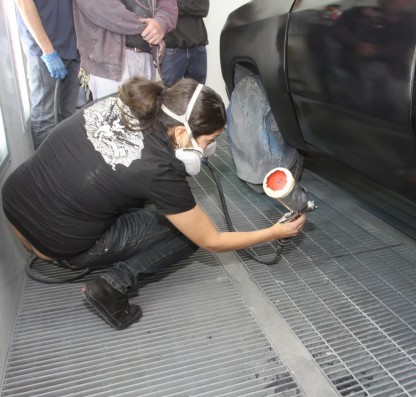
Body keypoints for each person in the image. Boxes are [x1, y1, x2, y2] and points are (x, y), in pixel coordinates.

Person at [1, 77, 307, 330]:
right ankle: (113, 285)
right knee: (187, 237)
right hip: (58, 245)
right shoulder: (160, 170)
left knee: (139, 200)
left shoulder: (121, 101)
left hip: (15, 204)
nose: (211, 148)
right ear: (182, 133)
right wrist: (274, 234)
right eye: (209, 139)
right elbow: (212, 240)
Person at [72, 0, 178, 99]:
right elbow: (105, 9)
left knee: (144, 115)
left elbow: (168, 5)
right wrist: (149, 28)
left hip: (146, 57)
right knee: (112, 116)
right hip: (109, 65)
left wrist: (161, 23)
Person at [15, 0, 80, 149]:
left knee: (67, 115)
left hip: (72, 43)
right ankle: (45, 170)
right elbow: (23, 2)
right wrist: (47, 50)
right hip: (45, 49)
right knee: (46, 118)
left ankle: (64, 164)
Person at [160, 0, 209, 86]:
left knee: (197, 94)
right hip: (172, 48)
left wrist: (173, 5)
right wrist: (191, 4)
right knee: (170, 95)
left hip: (198, 46)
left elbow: (203, 7)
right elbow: (162, 7)